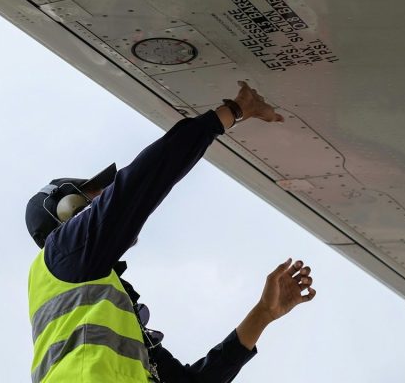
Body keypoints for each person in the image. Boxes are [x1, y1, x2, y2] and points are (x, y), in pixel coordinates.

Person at [25, 81, 316, 383]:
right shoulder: (63, 252)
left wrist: (263, 313)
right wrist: (234, 111)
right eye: (97, 197)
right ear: (69, 211)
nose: (105, 200)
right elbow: (144, 179)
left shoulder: (98, 301)